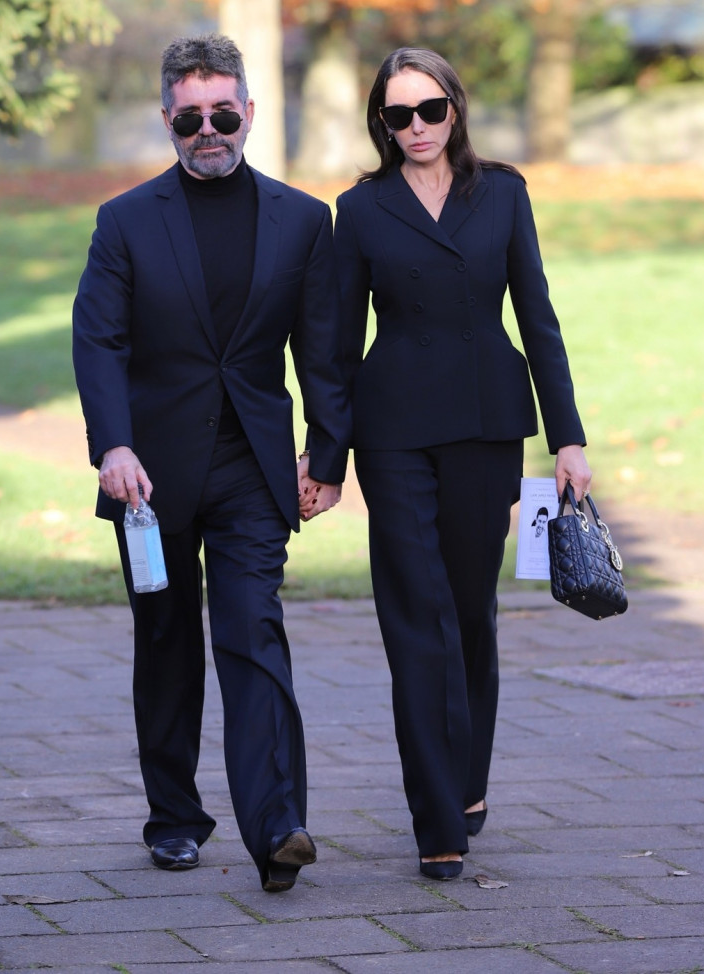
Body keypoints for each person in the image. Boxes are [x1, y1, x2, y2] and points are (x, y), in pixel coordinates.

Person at [72, 33, 351, 893]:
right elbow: (99, 340)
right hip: (149, 476)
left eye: (222, 113)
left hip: (253, 468)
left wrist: (328, 455)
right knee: (165, 643)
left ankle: (278, 829)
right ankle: (175, 819)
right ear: (167, 119)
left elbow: (326, 350)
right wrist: (112, 445)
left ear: (249, 113)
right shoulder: (123, 221)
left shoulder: (304, 219)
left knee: (252, 633)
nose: (208, 129)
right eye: (189, 116)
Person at [333, 48, 592, 881]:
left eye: (429, 110)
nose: (415, 128)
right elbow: (336, 346)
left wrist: (569, 439)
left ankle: (469, 784)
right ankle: (437, 820)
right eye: (397, 116)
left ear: (456, 109)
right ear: (381, 123)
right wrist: (326, 459)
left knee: (471, 612)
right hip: (395, 432)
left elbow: (539, 316)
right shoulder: (361, 210)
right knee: (418, 615)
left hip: (487, 427)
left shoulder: (504, 193)